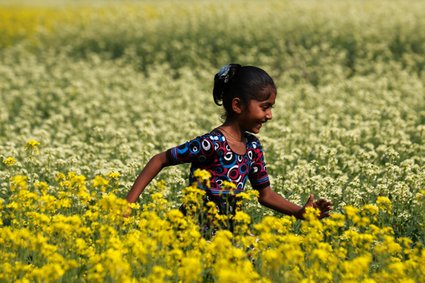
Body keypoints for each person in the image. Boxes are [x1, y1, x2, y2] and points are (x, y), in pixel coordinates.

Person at [126, 64, 332, 222]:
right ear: (237, 105)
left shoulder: (252, 147)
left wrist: (301, 213)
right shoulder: (212, 143)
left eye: (271, 108)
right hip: (194, 230)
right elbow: (160, 159)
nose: (269, 115)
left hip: (229, 231)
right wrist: (128, 205)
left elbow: (266, 194)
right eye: (264, 107)